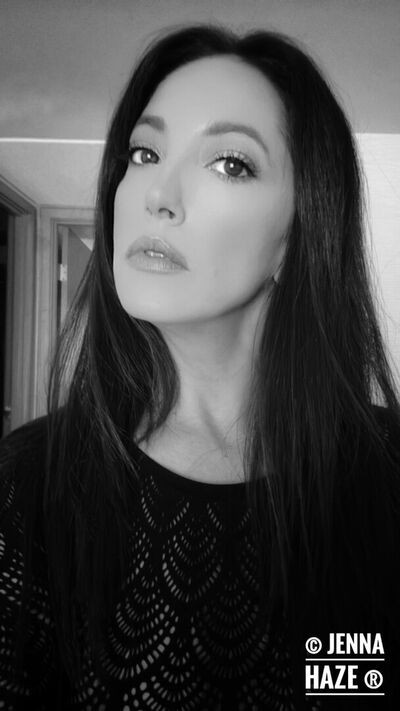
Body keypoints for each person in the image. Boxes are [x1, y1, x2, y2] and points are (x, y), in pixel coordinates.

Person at [0, 23, 399, 711]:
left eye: (230, 163)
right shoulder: (25, 487)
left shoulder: (387, 473)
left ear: (299, 234)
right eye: (144, 152)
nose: (156, 193)